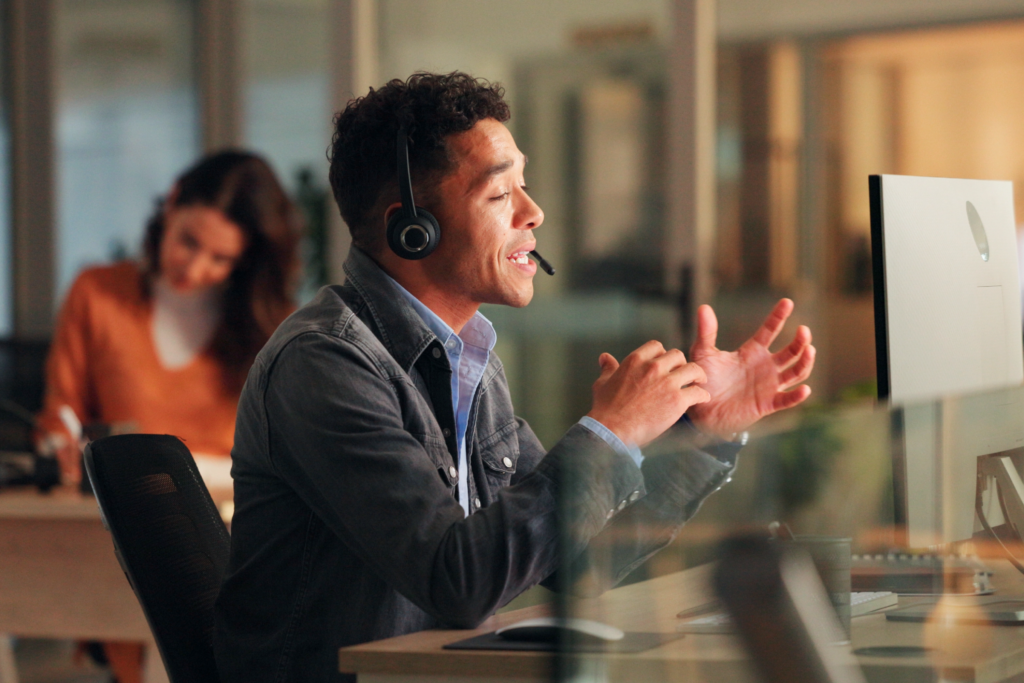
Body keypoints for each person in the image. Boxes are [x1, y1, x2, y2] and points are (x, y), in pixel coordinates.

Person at [213, 72, 816, 682]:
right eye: (501, 194)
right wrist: (609, 434)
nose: (534, 212)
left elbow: (578, 564)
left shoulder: (469, 358)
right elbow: (457, 582)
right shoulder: (324, 363)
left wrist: (703, 436)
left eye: (523, 186)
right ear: (412, 229)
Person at [37, 150, 301, 683]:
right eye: (188, 241)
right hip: (115, 537)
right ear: (173, 202)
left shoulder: (269, 327)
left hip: (233, 540)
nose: (195, 267)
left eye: (220, 259)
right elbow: (59, 417)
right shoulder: (97, 295)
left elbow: (284, 456)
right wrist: (58, 445)